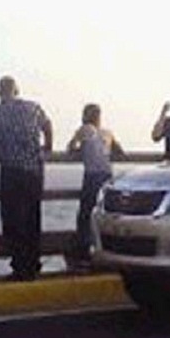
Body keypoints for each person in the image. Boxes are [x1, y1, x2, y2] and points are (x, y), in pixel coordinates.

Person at [0, 76, 53, 281]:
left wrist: (0, 153)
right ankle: (33, 263)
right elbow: (47, 126)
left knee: (13, 219)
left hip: (11, 171)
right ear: (16, 90)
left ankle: (19, 265)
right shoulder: (33, 107)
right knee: (32, 217)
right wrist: (46, 149)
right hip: (34, 170)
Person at [66, 103, 123, 272]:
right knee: (103, 215)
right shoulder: (107, 133)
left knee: (85, 216)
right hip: (107, 176)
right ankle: (107, 252)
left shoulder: (85, 129)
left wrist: (79, 150)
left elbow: (70, 148)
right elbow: (119, 151)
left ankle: (83, 255)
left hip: (92, 176)